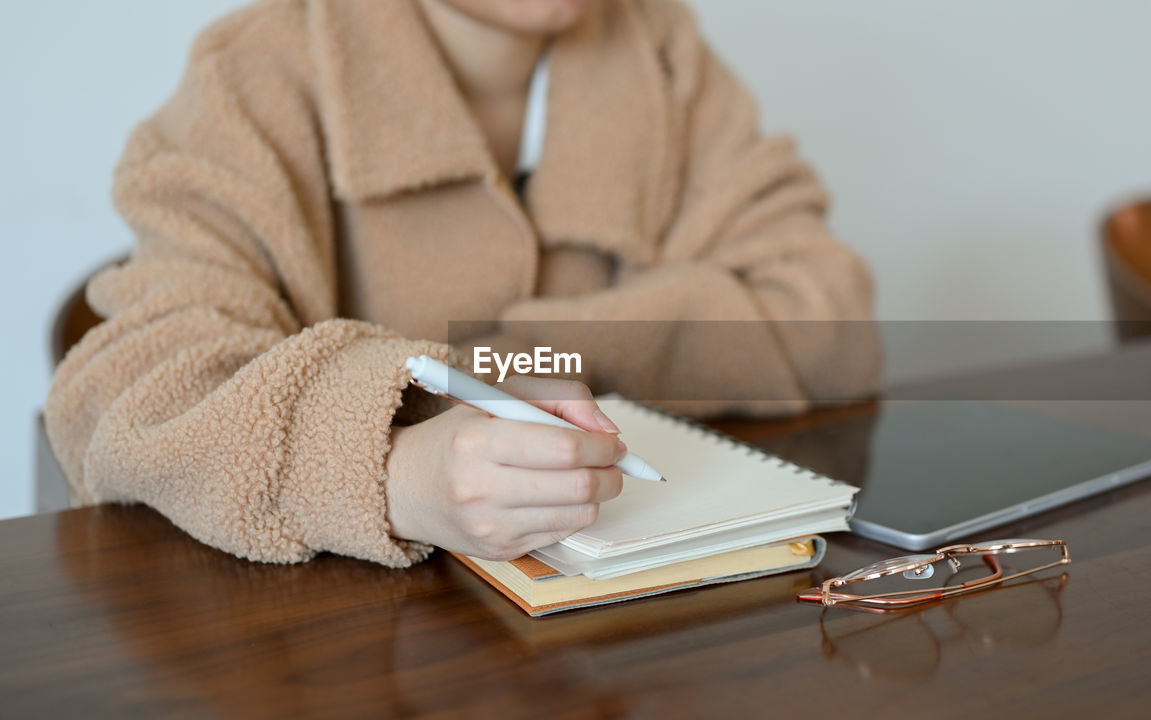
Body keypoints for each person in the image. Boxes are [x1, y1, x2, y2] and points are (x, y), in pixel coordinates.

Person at [45, 0, 878, 568]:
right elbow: (126, 390)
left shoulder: (655, 43)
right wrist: (387, 470)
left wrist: (503, 363)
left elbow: (829, 318)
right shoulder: (255, 75)